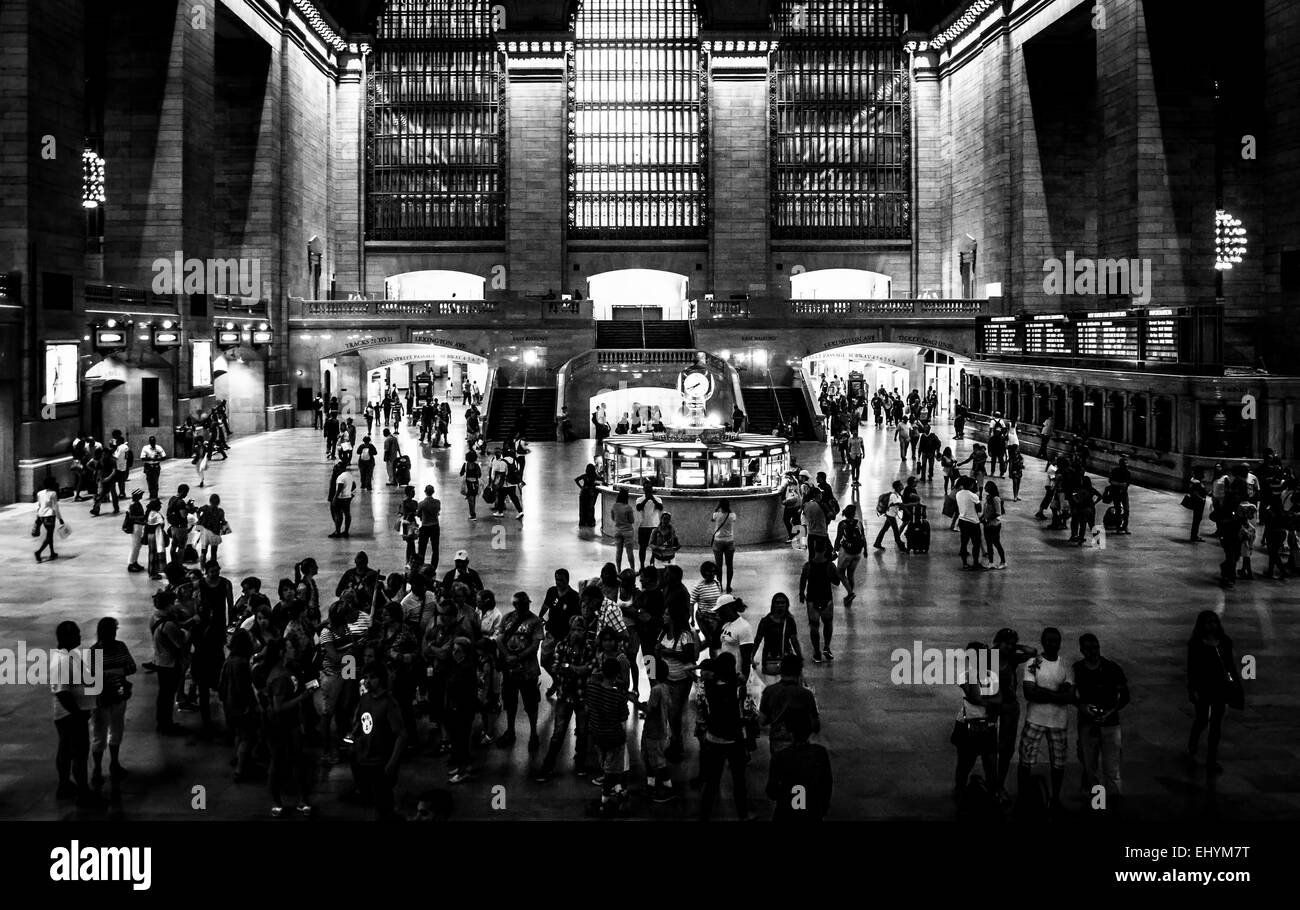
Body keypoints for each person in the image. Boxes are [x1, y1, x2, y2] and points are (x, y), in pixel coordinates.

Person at [1018, 627, 1075, 815]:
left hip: (1057, 721)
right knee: (1026, 759)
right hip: (1036, 718)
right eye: (1049, 641)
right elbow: (1029, 693)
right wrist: (1057, 694)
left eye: (1055, 641)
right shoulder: (1034, 662)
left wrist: (1043, 692)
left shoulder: (1065, 664)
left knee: (1058, 762)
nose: (1052, 644)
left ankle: (1055, 798)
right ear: (1043, 642)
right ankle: (1023, 796)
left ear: (1060, 643)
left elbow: (1069, 696)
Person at [536, 616, 594, 781]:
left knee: (583, 733)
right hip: (564, 696)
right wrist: (577, 669)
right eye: (574, 629)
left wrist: (568, 668)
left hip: (583, 697)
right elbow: (555, 667)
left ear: (585, 632)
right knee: (558, 733)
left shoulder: (590, 648)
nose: (577, 633)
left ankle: (580, 763)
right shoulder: (562, 645)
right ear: (570, 630)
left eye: (580, 630)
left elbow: (589, 669)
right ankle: (548, 766)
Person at [1073, 633, 1129, 803]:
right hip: (1088, 725)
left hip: (1110, 724)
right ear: (1082, 650)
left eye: (1095, 647)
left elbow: (1125, 696)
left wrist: (1110, 712)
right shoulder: (1078, 669)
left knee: (1112, 769)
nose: (1093, 651)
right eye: (1089, 648)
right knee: (1090, 769)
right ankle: (1099, 804)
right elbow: (1072, 695)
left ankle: (1112, 803)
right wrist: (1083, 707)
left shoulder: (1112, 668)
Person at [695, 653, 750, 820]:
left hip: (714, 738)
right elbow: (740, 679)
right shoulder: (735, 686)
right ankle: (743, 814)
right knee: (739, 781)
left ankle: (704, 814)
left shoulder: (709, 685)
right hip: (734, 739)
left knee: (712, 782)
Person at [350, 662, 407, 820]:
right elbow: (361, 724)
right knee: (371, 801)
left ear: (381, 679)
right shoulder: (365, 699)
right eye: (366, 677)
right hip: (365, 759)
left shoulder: (389, 703)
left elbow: (401, 735)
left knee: (383, 805)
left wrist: (392, 763)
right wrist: (355, 739)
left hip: (381, 761)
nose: (368, 681)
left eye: (372, 678)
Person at [1187, 611, 1241, 775]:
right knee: (1202, 720)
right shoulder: (1196, 644)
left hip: (1220, 688)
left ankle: (1211, 759)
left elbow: (1230, 665)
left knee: (1216, 724)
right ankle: (1194, 740)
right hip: (1204, 687)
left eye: (1214, 622)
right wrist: (1192, 689)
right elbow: (1192, 669)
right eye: (1208, 622)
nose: (1212, 625)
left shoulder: (1224, 642)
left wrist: (1235, 687)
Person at [986, 628, 1036, 802]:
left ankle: (1000, 784)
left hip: (1009, 706)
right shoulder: (988, 656)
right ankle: (991, 784)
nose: (1009, 647)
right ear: (998, 641)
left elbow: (1033, 652)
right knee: (989, 746)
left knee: (1006, 747)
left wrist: (1016, 646)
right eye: (1006, 643)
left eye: (1012, 644)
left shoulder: (1012, 657)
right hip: (991, 706)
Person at [52, 621, 98, 806]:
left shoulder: (71, 655)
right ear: (66, 637)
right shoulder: (62, 661)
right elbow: (63, 693)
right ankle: (83, 793)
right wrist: (78, 714)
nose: (80, 636)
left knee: (65, 750)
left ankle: (64, 785)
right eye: (76, 634)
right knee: (79, 754)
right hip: (70, 716)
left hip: (70, 714)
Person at [495, 592, 544, 751]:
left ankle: (534, 734)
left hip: (527, 670)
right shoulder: (508, 618)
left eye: (525, 604)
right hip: (511, 670)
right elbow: (499, 639)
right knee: (510, 701)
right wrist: (508, 656)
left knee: (531, 703)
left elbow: (535, 645)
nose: (524, 607)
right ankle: (510, 730)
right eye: (520, 605)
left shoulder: (535, 621)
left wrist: (517, 657)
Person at [767, 704, 832, 820]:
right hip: (812, 812)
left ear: (789, 731)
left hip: (786, 812)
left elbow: (772, 791)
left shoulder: (780, 757)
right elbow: (826, 784)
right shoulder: (820, 753)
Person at [951, 640, 998, 799]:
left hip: (988, 724)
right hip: (967, 724)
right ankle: (960, 788)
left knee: (991, 762)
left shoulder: (992, 675)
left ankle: (992, 792)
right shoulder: (964, 675)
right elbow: (975, 696)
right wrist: (990, 704)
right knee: (965, 763)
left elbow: (998, 698)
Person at [655, 601, 698, 763]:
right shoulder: (663, 633)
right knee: (668, 712)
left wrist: (668, 652)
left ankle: (677, 743)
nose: (664, 616)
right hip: (667, 678)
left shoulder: (685, 636)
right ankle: (674, 741)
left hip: (681, 679)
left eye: (666, 614)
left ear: (673, 617)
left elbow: (689, 656)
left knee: (674, 714)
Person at [150, 592, 189, 734]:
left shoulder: (154, 618)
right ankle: (167, 724)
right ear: (169, 605)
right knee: (168, 695)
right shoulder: (168, 624)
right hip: (170, 663)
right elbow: (180, 642)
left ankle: (162, 722)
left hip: (160, 660)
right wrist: (185, 632)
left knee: (163, 694)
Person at [798, 539, 841, 663]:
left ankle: (817, 652)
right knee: (828, 624)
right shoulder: (830, 565)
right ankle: (827, 647)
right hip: (826, 598)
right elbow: (837, 582)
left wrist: (801, 593)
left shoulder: (808, 565)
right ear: (826, 550)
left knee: (814, 626)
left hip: (812, 599)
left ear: (814, 549)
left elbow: (803, 580)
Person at [833, 504, 866, 604]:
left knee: (839, 572)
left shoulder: (842, 524)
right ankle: (849, 595)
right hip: (857, 553)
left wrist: (834, 550)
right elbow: (863, 537)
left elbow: (838, 538)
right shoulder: (859, 523)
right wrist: (866, 551)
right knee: (850, 574)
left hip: (847, 552)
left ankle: (850, 593)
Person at [34, 475, 65, 563]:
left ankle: (52, 552)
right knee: (49, 536)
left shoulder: (39, 493)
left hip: (41, 516)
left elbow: (38, 505)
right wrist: (60, 518)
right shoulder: (53, 493)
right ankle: (38, 552)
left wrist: (38, 517)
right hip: (50, 516)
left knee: (49, 535)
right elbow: (55, 507)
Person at [954, 477, 983, 569]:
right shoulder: (973, 495)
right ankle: (975, 563)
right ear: (971, 485)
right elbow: (979, 509)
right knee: (976, 544)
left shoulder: (958, 494)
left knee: (964, 543)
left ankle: (965, 564)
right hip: (973, 522)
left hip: (962, 520)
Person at [710, 499, 737, 593]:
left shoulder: (716, 515)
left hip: (718, 541)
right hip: (729, 541)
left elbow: (712, 518)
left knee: (718, 566)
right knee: (729, 565)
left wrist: (717, 507)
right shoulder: (732, 515)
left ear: (720, 505)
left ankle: (720, 585)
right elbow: (734, 518)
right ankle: (728, 586)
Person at [635, 481, 664, 566]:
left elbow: (660, 507)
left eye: (649, 488)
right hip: (643, 526)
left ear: (652, 489)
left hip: (654, 526)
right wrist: (646, 499)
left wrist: (653, 499)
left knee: (655, 548)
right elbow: (639, 508)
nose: (648, 489)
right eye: (646, 488)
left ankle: (652, 564)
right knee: (642, 548)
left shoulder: (658, 499)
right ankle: (642, 565)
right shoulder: (639, 499)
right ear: (643, 489)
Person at [610, 488, 637, 573]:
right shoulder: (628, 507)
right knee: (629, 552)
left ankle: (618, 570)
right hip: (628, 531)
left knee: (619, 551)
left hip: (618, 531)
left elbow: (613, 518)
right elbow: (632, 520)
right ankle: (632, 569)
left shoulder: (614, 506)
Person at [873, 480, 905, 551]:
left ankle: (877, 543)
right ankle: (901, 547)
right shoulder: (894, 495)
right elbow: (899, 504)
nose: (902, 486)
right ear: (898, 487)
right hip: (890, 516)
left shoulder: (898, 495)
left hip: (890, 515)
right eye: (901, 485)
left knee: (884, 529)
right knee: (896, 531)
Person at [981, 480, 1007, 569]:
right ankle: (991, 562)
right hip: (987, 524)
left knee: (996, 543)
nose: (985, 488)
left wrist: (987, 519)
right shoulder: (988, 497)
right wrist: (982, 518)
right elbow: (986, 511)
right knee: (988, 544)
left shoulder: (996, 499)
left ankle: (1003, 561)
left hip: (994, 525)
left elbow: (998, 512)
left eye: (987, 486)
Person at [328, 460, 357, 538]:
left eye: (336, 468)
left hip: (339, 498)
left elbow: (339, 488)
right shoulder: (348, 475)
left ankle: (337, 531)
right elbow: (354, 485)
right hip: (347, 497)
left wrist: (334, 498)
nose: (335, 469)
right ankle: (345, 531)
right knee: (347, 514)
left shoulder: (340, 476)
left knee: (337, 514)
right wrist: (349, 492)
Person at [1108, 456, 1132, 535]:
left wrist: (1120, 484)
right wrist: (1120, 484)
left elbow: (1127, 483)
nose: (1126, 465)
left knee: (1126, 510)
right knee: (1118, 511)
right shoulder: (1115, 471)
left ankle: (1125, 526)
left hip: (1123, 493)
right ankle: (1118, 526)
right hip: (1116, 493)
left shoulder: (1128, 473)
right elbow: (1111, 481)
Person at [138, 436, 166, 501]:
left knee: (155, 481)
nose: (153, 443)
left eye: (154, 441)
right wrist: (152, 459)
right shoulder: (145, 448)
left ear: (155, 442)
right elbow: (142, 458)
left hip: (156, 466)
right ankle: (151, 494)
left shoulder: (159, 448)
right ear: (149, 442)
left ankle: (155, 494)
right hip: (148, 467)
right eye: (151, 441)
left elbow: (164, 456)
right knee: (149, 481)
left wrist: (158, 458)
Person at [1186, 467, 1208, 542]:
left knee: (1197, 519)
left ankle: (1194, 535)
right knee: (1197, 519)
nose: (1203, 474)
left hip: (1197, 503)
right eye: (1202, 473)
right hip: (1198, 503)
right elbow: (1195, 493)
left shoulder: (1193, 480)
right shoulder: (1197, 482)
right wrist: (1202, 499)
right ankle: (1194, 536)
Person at [576, 463, 600, 529]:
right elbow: (601, 480)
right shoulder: (595, 476)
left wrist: (581, 487)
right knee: (590, 508)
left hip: (583, 493)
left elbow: (576, 480)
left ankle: (582, 522)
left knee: (583, 508)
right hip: (590, 493)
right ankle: (590, 522)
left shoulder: (584, 476)